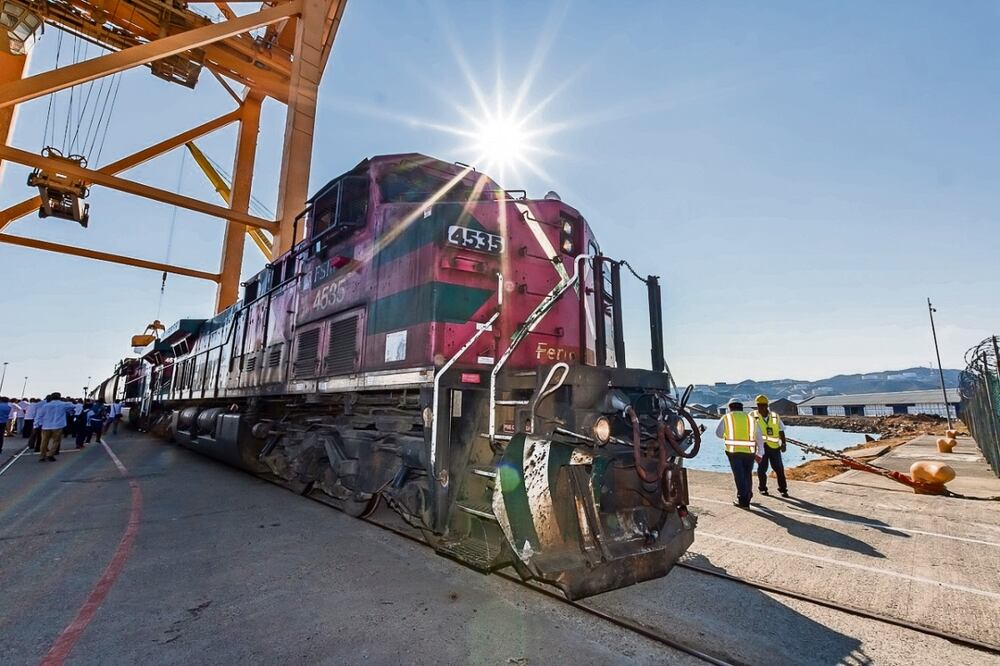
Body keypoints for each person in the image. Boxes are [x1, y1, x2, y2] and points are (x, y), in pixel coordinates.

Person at [715, 397, 764, 508]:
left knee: (739, 475)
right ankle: (748, 494)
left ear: (730, 408)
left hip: (734, 451)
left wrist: (726, 435)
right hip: (749, 452)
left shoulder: (726, 417)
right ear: (742, 408)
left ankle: (743, 500)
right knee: (747, 474)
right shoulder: (751, 418)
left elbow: (718, 433)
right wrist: (760, 453)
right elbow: (759, 437)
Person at [751, 395, 789, 497]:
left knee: (779, 468)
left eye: (762, 405)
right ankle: (763, 488)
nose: (760, 407)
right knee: (762, 469)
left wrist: (784, 443)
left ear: (767, 405)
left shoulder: (774, 416)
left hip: (774, 447)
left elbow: (781, 430)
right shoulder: (752, 415)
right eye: (758, 405)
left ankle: (783, 489)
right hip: (761, 447)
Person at [36, 393, 66, 462]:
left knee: (44, 441)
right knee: (56, 441)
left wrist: (37, 424)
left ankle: (42, 456)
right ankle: (50, 454)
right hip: (58, 425)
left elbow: (39, 415)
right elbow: (73, 407)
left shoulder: (45, 406)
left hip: (46, 425)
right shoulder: (63, 404)